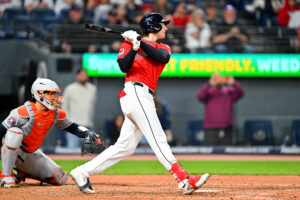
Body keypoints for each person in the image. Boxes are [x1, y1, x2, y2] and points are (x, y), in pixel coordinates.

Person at [70, 12, 210, 195]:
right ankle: (184, 179)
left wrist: (139, 42)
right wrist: (134, 46)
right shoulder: (128, 42)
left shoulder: (164, 47)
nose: (166, 27)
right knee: (158, 137)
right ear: (154, 26)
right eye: (163, 24)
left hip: (144, 96)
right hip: (135, 92)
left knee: (125, 147)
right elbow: (124, 67)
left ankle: (82, 172)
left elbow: (161, 57)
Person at [0, 78, 101, 187]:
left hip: (30, 153)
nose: (55, 97)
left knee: (61, 178)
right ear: (39, 93)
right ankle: (6, 175)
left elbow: (73, 127)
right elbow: (2, 130)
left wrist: (88, 134)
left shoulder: (55, 114)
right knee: (14, 133)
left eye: (55, 94)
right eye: (51, 94)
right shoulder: (21, 112)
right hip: (11, 151)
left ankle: (23, 172)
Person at [196, 73, 244, 146]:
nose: (218, 80)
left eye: (220, 78)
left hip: (226, 128)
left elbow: (241, 93)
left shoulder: (229, 91)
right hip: (210, 129)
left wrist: (234, 84)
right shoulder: (208, 91)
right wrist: (209, 84)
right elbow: (199, 96)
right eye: (216, 78)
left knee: (228, 153)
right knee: (209, 153)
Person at [61, 68, 97, 148]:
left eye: (85, 74)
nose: (84, 76)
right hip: (73, 128)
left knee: (89, 153)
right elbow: (64, 108)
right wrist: (67, 125)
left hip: (88, 126)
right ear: (77, 76)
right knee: (72, 154)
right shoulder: (69, 89)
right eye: (82, 74)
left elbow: (92, 106)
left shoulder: (93, 89)